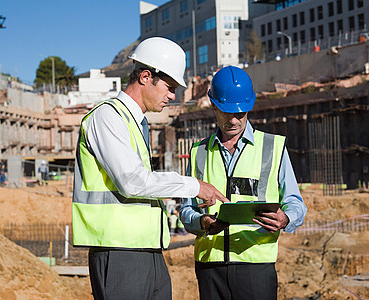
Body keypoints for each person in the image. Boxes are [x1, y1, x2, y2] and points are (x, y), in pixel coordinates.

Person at [72, 37, 228, 300]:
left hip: (147, 250)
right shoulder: (107, 116)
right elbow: (132, 182)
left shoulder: (135, 123)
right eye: (169, 87)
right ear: (145, 76)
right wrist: (194, 186)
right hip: (119, 251)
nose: (172, 96)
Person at [180, 66, 307, 300]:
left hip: (256, 265)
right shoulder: (199, 152)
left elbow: (294, 202)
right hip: (211, 268)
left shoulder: (272, 147)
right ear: (213, 105)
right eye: (227, 112)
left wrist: (286, 218)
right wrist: (201, 221)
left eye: (241, 113)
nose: (234, 120)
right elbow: (186, 209)